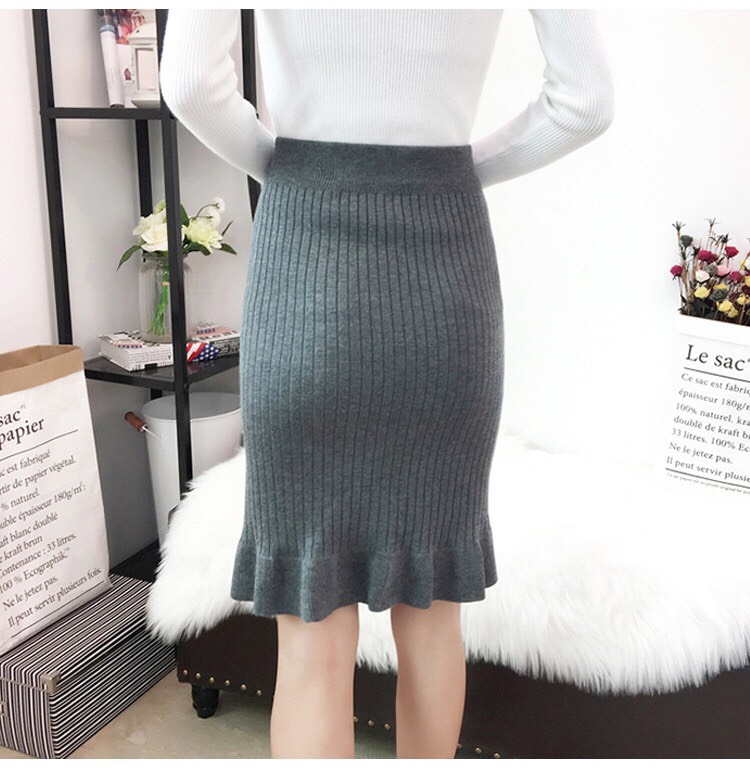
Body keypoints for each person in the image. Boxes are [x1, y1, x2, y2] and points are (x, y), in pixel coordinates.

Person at [159, 10, 614, 759]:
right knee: (434, 615)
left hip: (305, 262)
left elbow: (188, 85)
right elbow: (585, 102)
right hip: (446, 276)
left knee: (310, 630)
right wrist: (453, 169)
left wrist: (291, 168)